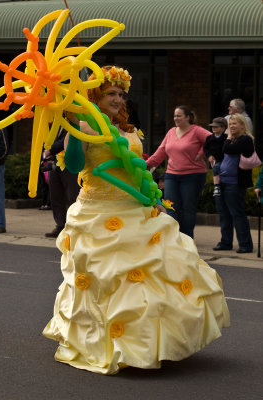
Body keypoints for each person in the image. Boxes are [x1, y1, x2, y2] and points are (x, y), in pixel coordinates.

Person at [43, 65, 230, 375]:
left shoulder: (129, 130)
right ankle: (116, 344)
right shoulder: (84, 126)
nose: (117, 99)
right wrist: (75, 132)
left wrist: (154, 198)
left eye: (120, 94)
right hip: (98, 214)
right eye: (110, 94)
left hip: (136, 210)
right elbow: (74, 165)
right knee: (109, 281)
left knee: (153, 278)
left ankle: (149, 342)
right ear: (94, 96)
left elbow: (138, 168)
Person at [146, 105, 211, 238]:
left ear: (188, 117)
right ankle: (173, 238)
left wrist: (202, 152)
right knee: (170, 207)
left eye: (179, 115)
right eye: (174, 116)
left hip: (193, 175)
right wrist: (146, 164)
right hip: (172, 175)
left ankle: (187, 239)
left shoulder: (196, 131)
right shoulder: (171, 132)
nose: (176, 118)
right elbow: (162, 151)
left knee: (188, 209)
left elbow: (212, 140)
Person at [213, 113, 254, 253]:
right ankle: (226, 242)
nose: (231, 126)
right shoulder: (231, 140)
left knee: (237, 213)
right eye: (230, 124)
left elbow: (228, 149)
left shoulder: (246, 140)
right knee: (224, 213)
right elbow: (220, 151)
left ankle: (245, 244)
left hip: (235, 183)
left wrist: (228, 137)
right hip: (222, 181)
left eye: (234, 124)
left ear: (243, 125)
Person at [44, 128, 80, 238]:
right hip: (55, 163)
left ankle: (74, 225)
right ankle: (60, 225)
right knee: (56, 196)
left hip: (69, 163)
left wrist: (51, 150)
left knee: (72, 195)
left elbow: (68, 138)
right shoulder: (56, 123)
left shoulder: (74, 119)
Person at [203, 117, 228, 196]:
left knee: (218, 169)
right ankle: (216, 187)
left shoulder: (226, 138)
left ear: (223, 128)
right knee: (216, 168)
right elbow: (205, 148)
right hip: (214, 160)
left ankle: (218, 187)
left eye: (216, 127)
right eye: (212, 126)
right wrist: (209, 156)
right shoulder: (209, 138)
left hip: (225, 160)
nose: (213, 128)